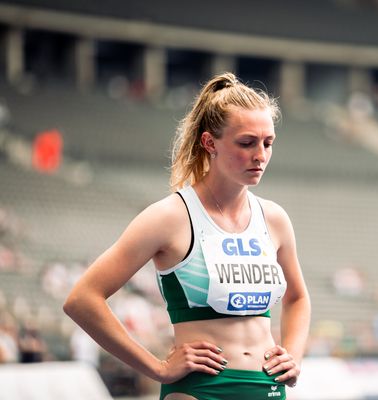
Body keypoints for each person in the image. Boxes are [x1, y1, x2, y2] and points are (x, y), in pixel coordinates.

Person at [63, 72, 311, 400]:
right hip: (200, 389)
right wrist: (156, 368)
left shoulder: (275, 219)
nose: (260, 155)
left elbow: (298, 298)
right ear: (210, 143)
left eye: (268, 143)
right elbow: (82, 299)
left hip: (267, 388)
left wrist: (293, 354)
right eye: (247, 142)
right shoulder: (170, 217)